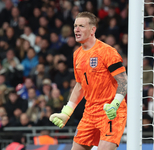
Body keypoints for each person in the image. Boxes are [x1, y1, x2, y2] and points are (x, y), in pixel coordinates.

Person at [49, 12, 127, 150]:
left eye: (81, 26)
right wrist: (66, 112)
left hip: (111, 112)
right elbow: (80, 86)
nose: (76, 30)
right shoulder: (77, 54)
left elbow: (123, 81)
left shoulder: (108, 52)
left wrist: (115, 104)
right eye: (75, 26)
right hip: (90, 112)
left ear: (92, 30)